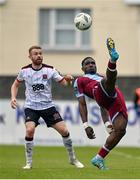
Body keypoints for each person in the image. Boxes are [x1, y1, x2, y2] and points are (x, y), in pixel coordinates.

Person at [10, 45, 84, 169]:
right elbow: (15, 85)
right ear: (30, 57)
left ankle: (73, 159)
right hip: (31, 106)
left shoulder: (50, 70)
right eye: (35, 54)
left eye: (40, 53)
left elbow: (64, 83)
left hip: (48, 106)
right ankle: (29, 163)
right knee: (29, 130)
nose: (39, 55)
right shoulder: (24, 71)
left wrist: (68, 79)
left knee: (64, 131)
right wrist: (13, 97)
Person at [73, 38, 128, 170]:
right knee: (107, 81)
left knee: (120, 130)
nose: (91, 65)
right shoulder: (80, 80)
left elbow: (102, 106)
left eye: (93, 63)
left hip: (114, 100)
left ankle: (99, 158)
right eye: (87, 64)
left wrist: (107, 123)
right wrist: (86, 125)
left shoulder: (100, 75)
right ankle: (113, 59)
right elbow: (82, 104)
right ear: (82, 68)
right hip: (100, 90)